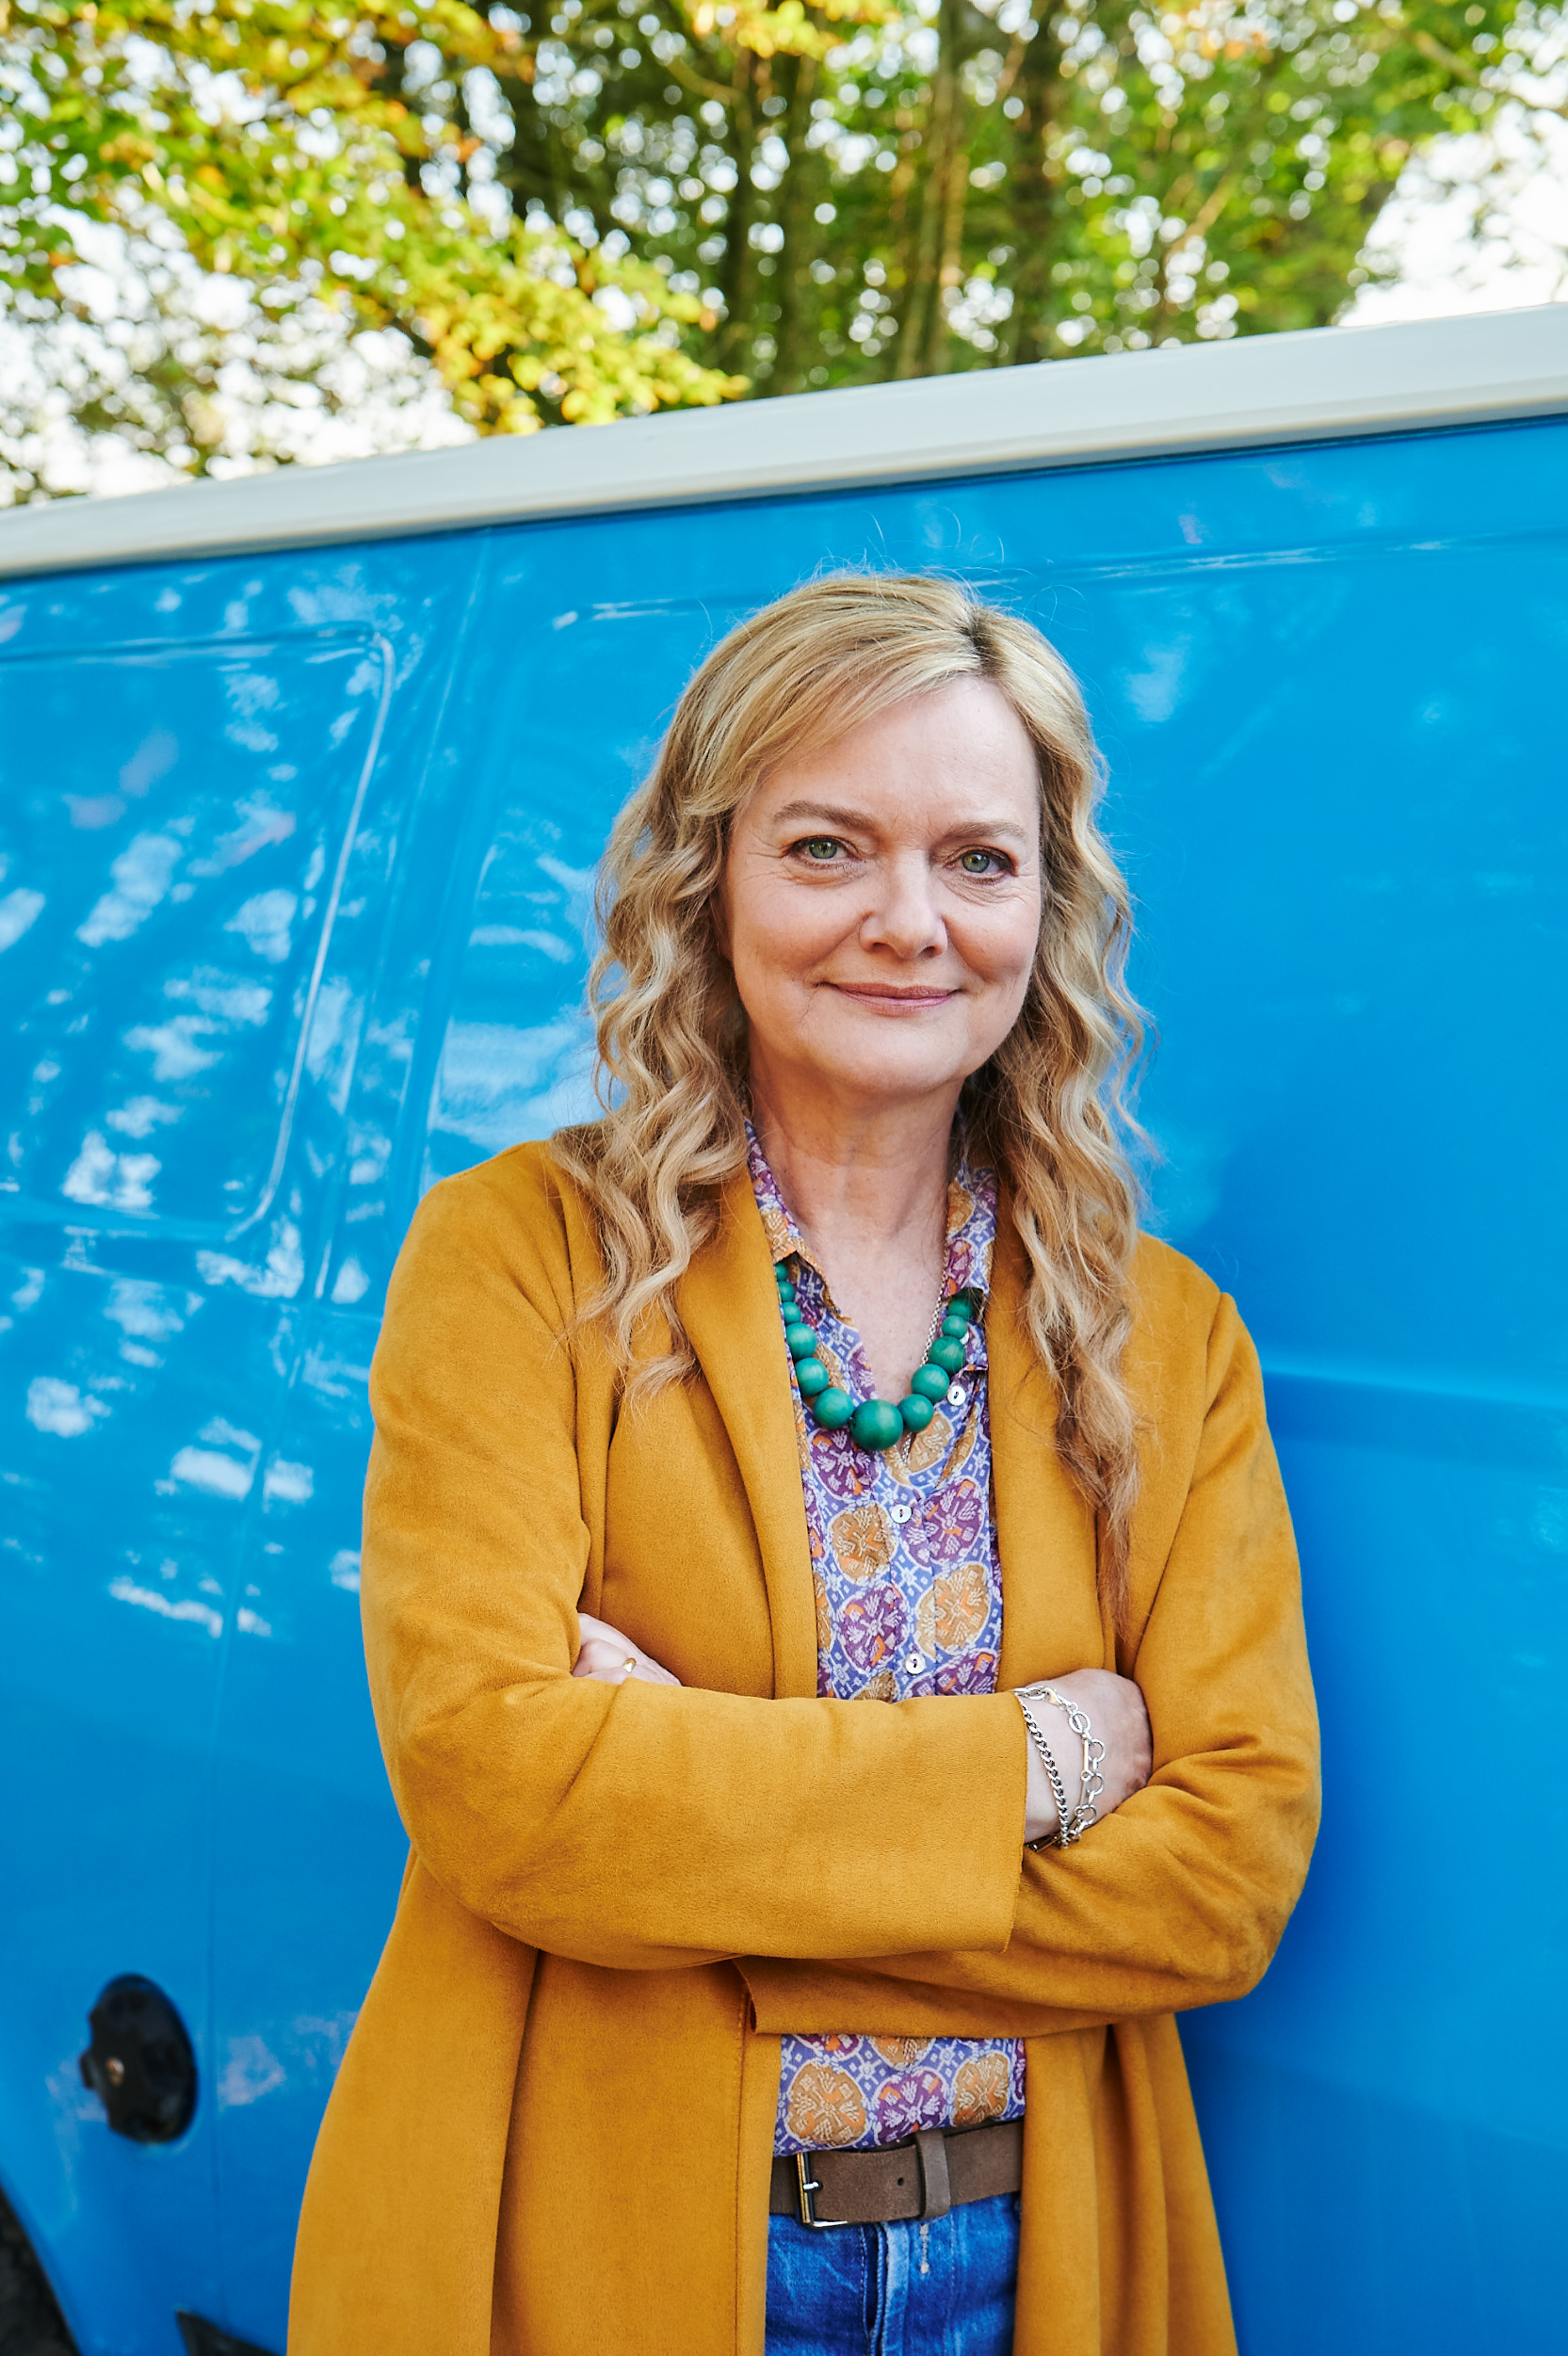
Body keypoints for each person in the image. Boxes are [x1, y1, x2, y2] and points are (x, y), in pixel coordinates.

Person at [288, 573, 1319, 2356]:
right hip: (605, 2244)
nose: (907, 922)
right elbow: (504, 1794)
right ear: (712, 882)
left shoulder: (1164, 1335)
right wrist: (1050, 1755)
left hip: (1033, 2258)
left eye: (978, 860)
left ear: (1047, 903)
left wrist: (685, 1859)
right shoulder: (521, 1257)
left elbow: (1221, 1880)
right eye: (828, 847)